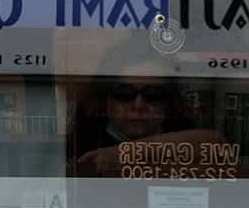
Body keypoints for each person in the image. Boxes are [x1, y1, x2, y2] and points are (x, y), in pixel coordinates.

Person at [66, 34, 219, 177]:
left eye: (153, 94)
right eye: (124, 93)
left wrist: (123, 153)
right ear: (106, 99)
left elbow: (215, 143)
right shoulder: (86, 141)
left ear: (168, 102)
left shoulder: (183, 136)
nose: (138, 106)